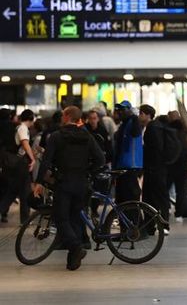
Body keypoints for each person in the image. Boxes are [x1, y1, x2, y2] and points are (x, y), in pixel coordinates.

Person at [33, 106, 105, 271]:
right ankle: (73, 260)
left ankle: (75, 246)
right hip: (82, 183)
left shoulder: (57, 137)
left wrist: (39, 182)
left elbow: (46, 161)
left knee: (60, 218)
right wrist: (89, 172)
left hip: (64, 182)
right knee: (75, 218)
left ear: (66, 116)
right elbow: (100, 159)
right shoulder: (87, 136)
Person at [0, 109, 36, 224]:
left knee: (12, 191)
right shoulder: (23, 128)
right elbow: (24, 143)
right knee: (25, 191)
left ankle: (4, 210)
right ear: (31, 119)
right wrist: (32, 158)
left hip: (15, 164)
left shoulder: (18, 127)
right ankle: (25, 220)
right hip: (19, 164)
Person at [139, 105, 170, 231]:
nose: (139, 116)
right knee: (153, 197)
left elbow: (157, 149)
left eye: (141, 113)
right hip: (157, 168)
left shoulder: (153, 128)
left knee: (155, 197)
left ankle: (162, 224)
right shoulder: (154, 127)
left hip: (155, 169)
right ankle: (152, 225)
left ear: (148, 115)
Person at [112, 101, 143, 214]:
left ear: (129, 110)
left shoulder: (133, 122)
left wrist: (134, 117)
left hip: (130, 166)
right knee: (121, 199)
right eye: (119, 110)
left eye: (123, 110)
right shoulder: (123, 125)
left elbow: (135, 133)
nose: (120, 112)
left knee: (130, 199)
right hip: (121, 166)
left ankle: (136, 225)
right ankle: (125, 225)